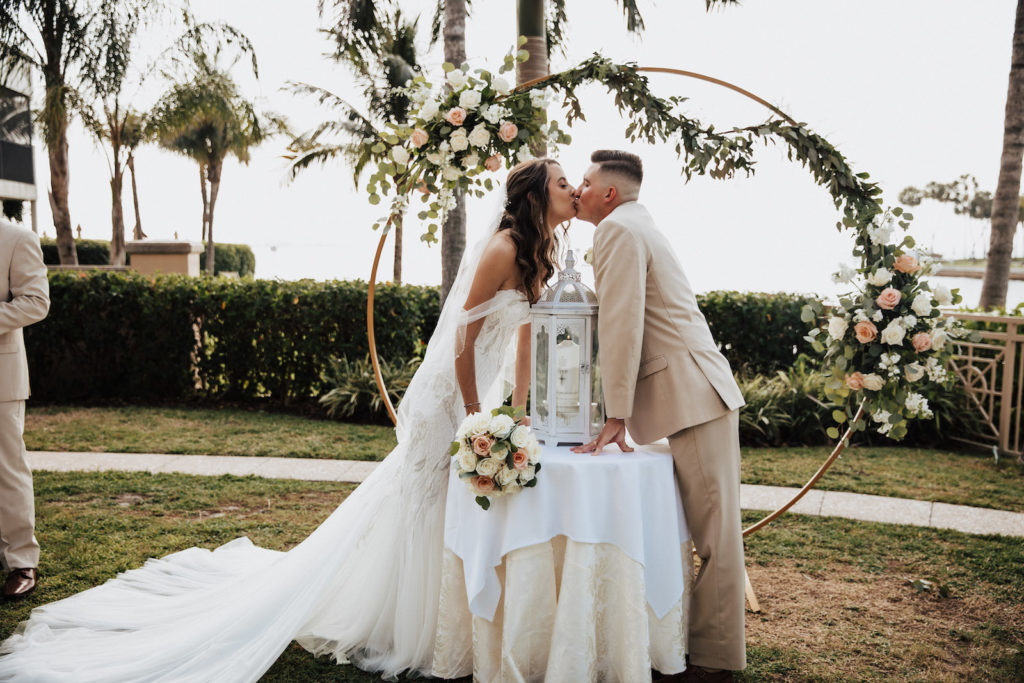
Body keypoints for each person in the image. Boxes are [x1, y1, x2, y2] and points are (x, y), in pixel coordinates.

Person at [0, 158, 577, 681]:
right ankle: (409, 623)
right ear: (533, 194)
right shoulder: (502, 248)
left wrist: (515, 410)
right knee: (424, 503)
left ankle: (438, 615)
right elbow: (464, 336)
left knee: (438, 504)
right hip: (450, 396)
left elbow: (523, 342)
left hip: (483, 397)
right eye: (561, 182)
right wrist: (475, 412)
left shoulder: (538, 253)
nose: (571, 188)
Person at [571, 150, 747, 682]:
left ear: (609, 193)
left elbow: (622, 325)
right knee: (713, 528)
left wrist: (616, 412)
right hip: (693, 391)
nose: (577, 190)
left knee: (716, 533)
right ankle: (704, 648)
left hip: (691, 395)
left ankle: (715, 662)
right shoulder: (633, 223)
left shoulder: (618, 230)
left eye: (584, 181)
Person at [0, 217, 49, 602]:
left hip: (2, 373)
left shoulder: (17, 238)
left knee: (7, 467)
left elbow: (36, 302)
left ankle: (21, 562)